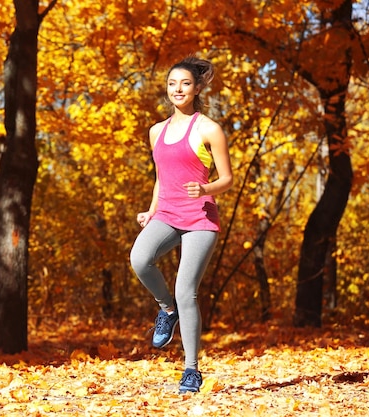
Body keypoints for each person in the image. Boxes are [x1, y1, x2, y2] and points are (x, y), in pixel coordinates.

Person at [130, 56, 233, 394]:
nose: (178, 89)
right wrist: (151, 210)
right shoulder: (156, 131)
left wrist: (205, 188)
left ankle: (191, 370)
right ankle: (166, 310)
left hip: (200, 217)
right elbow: (162, 178)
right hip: (167, 214)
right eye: (173, 83)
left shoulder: (208, 128)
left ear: (197, 88)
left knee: (185, 289)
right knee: (139, 259)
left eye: (185, 83)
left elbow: (227, 179)